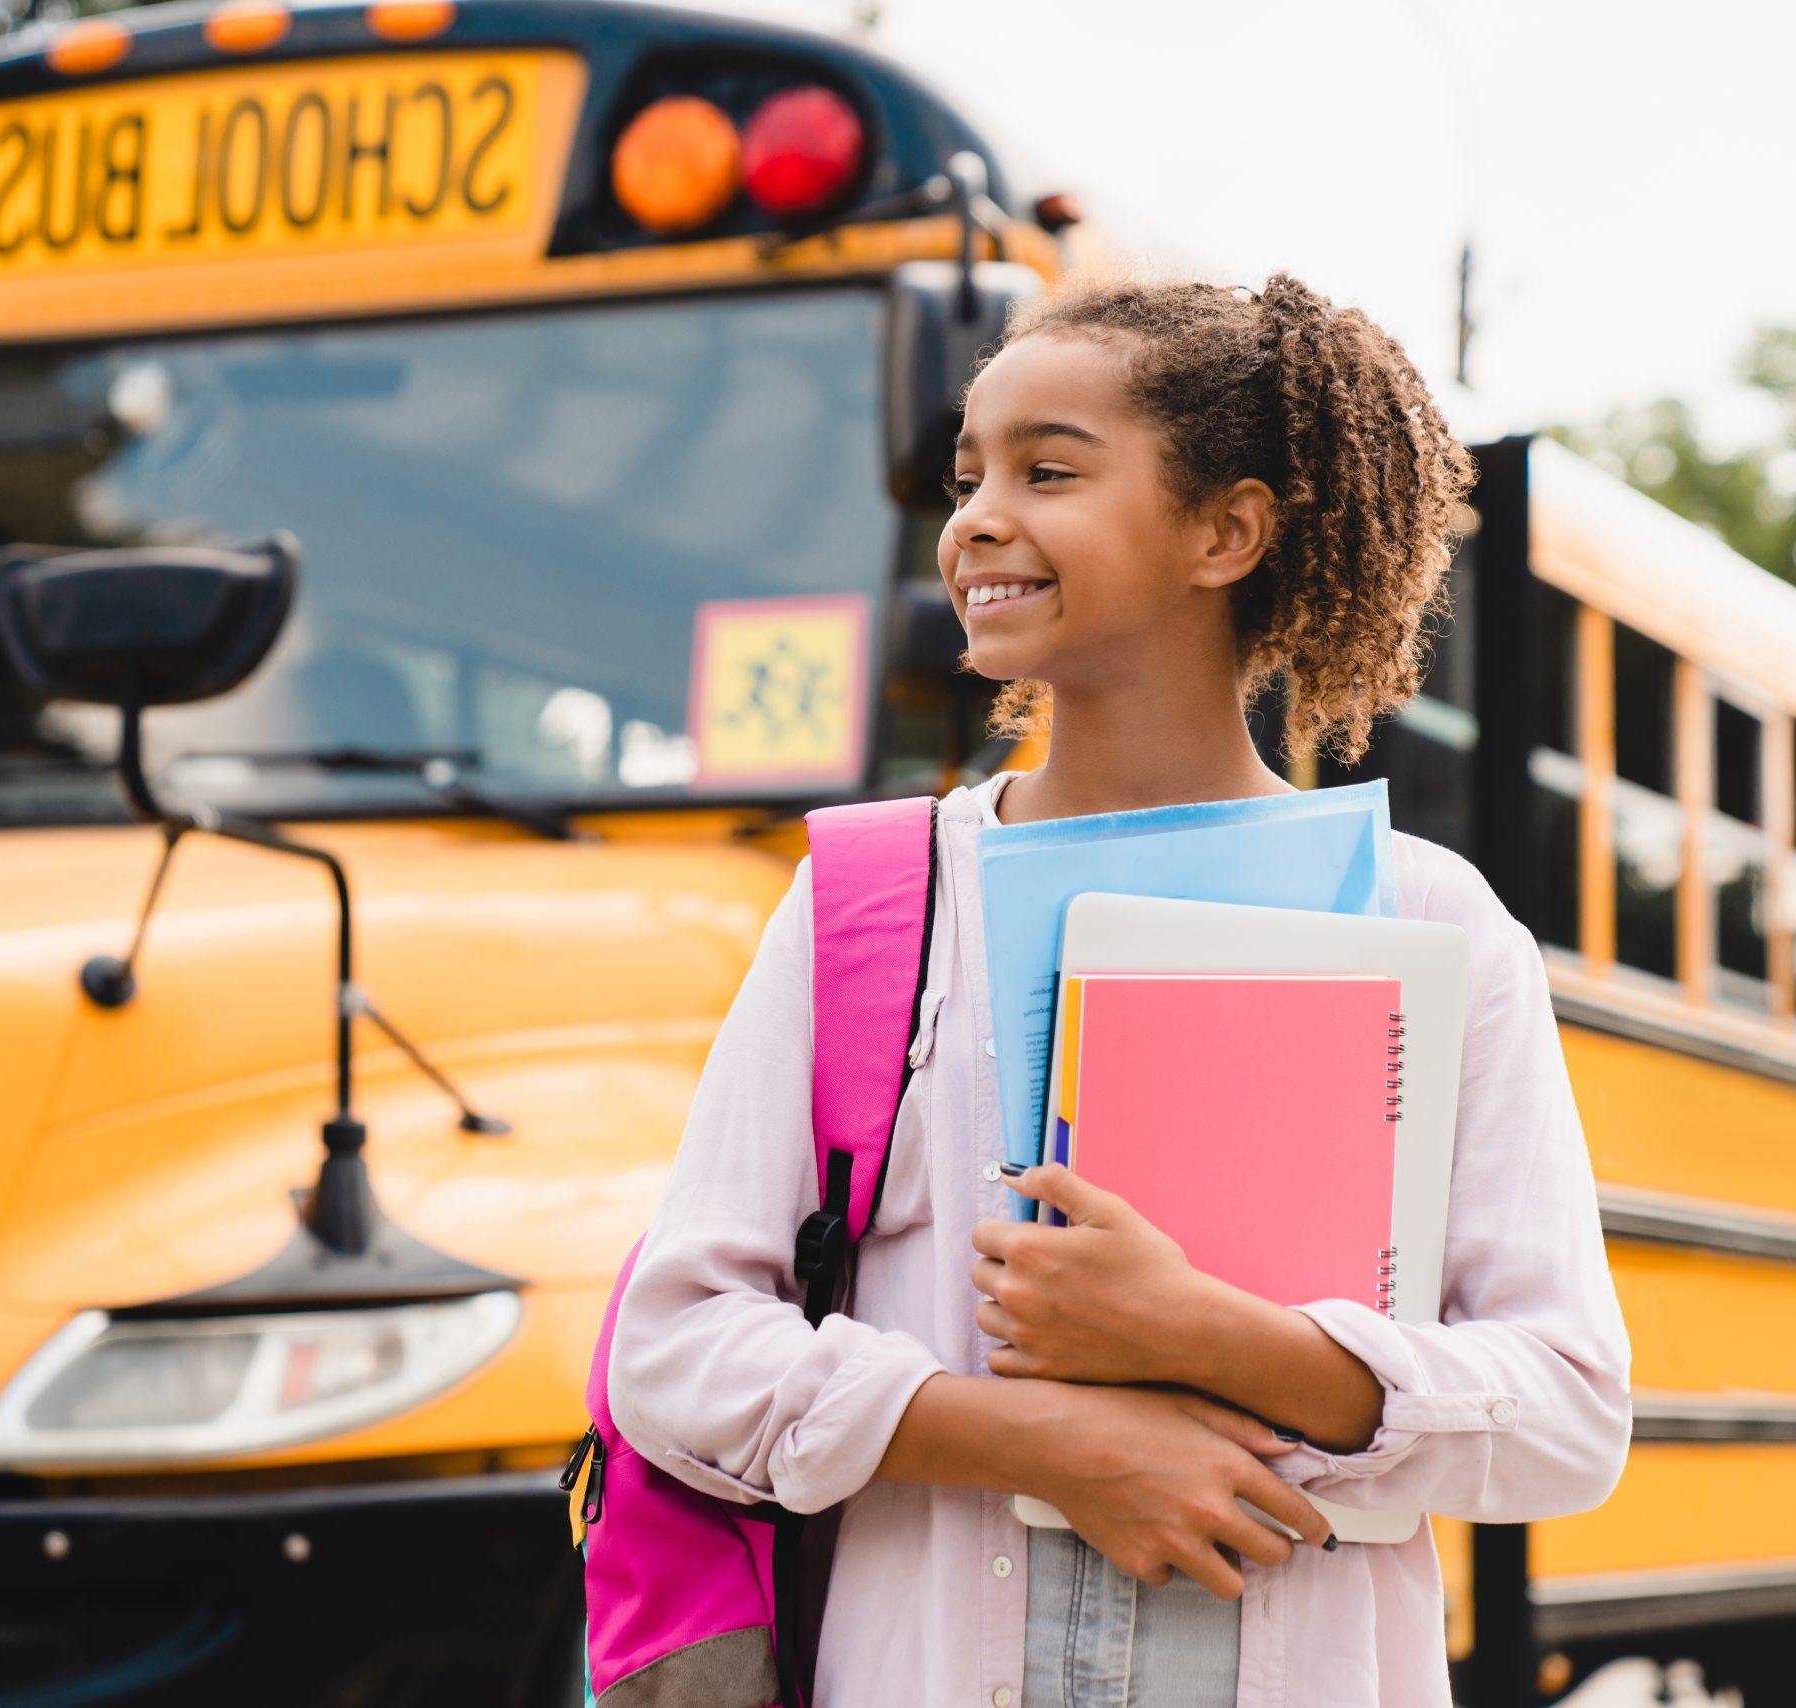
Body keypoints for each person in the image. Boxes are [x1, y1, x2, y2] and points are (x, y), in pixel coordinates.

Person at [606, 270, 1634, 1707]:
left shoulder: (1429, 920)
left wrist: (1215, 1338)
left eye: (1049, 471)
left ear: (1225, 531)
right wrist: (1040, 1443)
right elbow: (671, 1351)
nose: (976, 520)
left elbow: (1570, 1416)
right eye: (968, 478)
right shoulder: (875, 901)